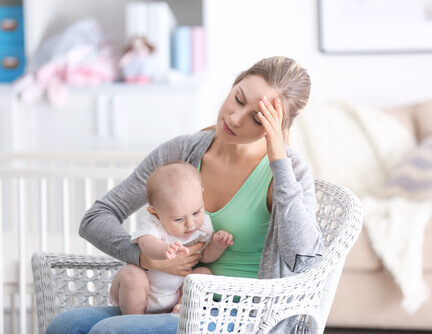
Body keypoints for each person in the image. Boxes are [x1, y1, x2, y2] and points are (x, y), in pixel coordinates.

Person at [46, 56, 324, 333]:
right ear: (234, 84)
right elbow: (95, 218)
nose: (235, 118)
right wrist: (147, 259)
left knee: (110, 331)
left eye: (257, 118)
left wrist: (278, 159)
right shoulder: (182, 152)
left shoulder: (289, 172)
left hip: (241, 316)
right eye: (238, 99)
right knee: (65, 325)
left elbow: (304, 260)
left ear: (276, 126)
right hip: (173, 302)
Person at [109, 161, 233, 315]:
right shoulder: (152, 223)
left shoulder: (203, 225)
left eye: (196, 213)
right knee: (132, 274)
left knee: (204, 273)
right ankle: (132, 320)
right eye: (179, 219)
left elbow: (204, 256)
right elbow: (146, 244)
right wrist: (164, 250)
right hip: (143, 292)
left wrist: (217, 245)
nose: (190, 224)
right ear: (155, 212)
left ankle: (182, 307)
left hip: (174, 294)